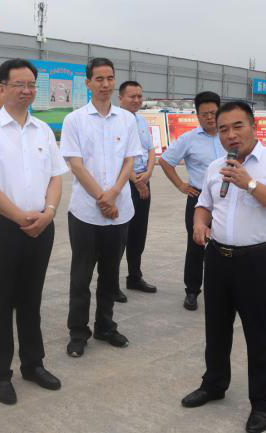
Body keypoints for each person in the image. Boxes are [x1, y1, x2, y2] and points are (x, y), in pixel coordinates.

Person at [180, 101, 266, 433]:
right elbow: (204, 204)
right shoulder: (215, 166)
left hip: (257, 262)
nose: (230, 135)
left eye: (237, 126)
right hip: (218, 258)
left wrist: (250, 184)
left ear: (253, 126)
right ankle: (214, 384)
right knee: (216, 329)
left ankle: (262, 403)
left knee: (260, 335)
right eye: (223, 129)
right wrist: (199, 224)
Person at [0, 59, 67, 405]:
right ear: (2, 88)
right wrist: (21, 217)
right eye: (18, 84)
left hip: (42, 227)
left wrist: (49, 212)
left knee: (31, 300)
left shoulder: (43, 131)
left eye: (31, 85)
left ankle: (33, 364)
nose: (26, 90)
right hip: (3, 229)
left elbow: (56, 177)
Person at [60, 58, 141, 358]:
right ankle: (78, 331)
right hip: (85, 212)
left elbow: (130, 159)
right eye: (99, 79)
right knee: (81, 276)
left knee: (110, 274)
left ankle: (105, 326)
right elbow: (76, 164)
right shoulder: (75, 120)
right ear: (88, 83)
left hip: (120, 211)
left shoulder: (127, 119)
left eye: (110, 78)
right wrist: (102, 198)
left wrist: (115, 192)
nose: (105, 84)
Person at [159, 91, 223, 311]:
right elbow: (165, 161)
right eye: (204, 114)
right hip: (199, 200)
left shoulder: (229, 135)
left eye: (213, 113)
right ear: (197, 115)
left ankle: (222, 289)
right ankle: (192, 291)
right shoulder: (189, 139)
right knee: (196, 245)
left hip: (227, 200)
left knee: (225, 244)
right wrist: (180, 184)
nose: (209, 117)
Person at [115, 80, 157, 302]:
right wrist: (135, 180)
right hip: (124, 182)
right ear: (121, 98)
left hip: (143, 179)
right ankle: (111, 283)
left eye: (140, 96)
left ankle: (134, 276)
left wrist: (148, 173)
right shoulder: (115, 121)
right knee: (121, 234)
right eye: (132, 96)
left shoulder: (141, 120)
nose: (137, 100)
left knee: (139, 232)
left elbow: (150, 150)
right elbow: (118, 156)